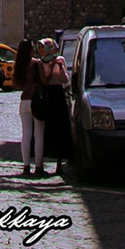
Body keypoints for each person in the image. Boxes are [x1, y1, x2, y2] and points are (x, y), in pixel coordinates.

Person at [36, 37, 72, 178]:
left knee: (60, 129)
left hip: (58, 95)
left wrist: (60, 67)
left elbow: (65, 80)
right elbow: (43, 80)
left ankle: (59, 164)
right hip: (47, 95)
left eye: (42, 47)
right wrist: (50, 67)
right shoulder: (40, 63)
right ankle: (42, 162)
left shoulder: (60, 60)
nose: (41, 51)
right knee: (47, 130)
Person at [12, 38, 44, 177]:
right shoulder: (36, 64)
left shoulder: (19, 65)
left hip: (24, 101)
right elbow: (44, 79)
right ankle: (38, 166)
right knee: (38, 135)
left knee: (26, 134)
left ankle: (26, 166)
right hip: (36, 100)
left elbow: (18, 85)